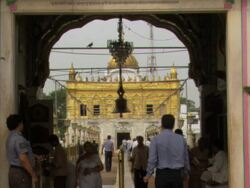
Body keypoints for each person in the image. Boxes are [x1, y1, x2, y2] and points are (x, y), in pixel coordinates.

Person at [144, 114, 190, 188]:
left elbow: (152, 159)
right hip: (176, 175)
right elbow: (185, 158)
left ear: (162, 124)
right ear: (173, 124)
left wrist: (148, 175)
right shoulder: (181, 139)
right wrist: (186, 173)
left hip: (162, 176)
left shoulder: (156, 139)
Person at [6, 114, 38, 188]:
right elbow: (23, 159)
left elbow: (17, 154)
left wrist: (33, 156)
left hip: (13, 172)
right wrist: (33, 174)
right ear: (19, 124)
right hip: (21, 173)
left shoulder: (10, 137)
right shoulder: (19, 139)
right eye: (22, 123)